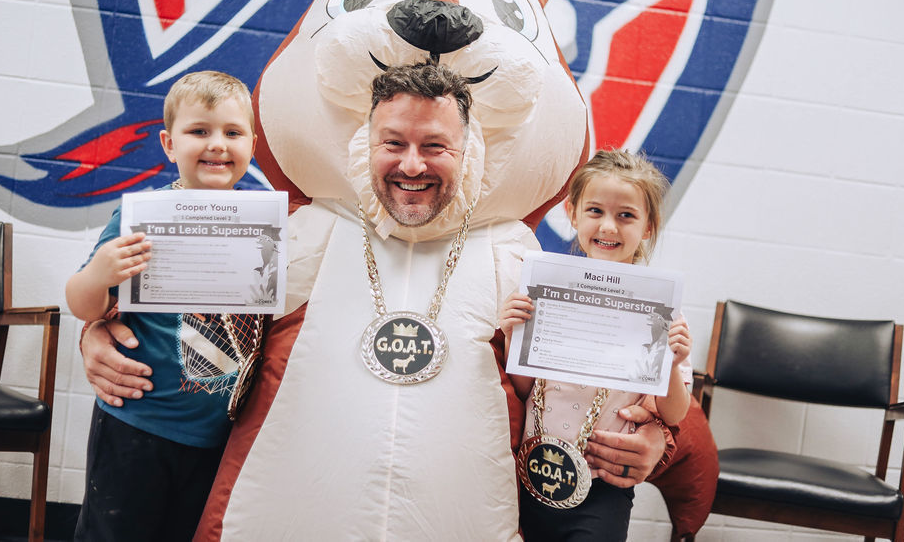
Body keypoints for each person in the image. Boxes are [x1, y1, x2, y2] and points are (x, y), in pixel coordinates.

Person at [80, 64, 674, 539]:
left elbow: (615, 371)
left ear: (468, 153)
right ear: (366, 145)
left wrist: (662, 439)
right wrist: (98, 325)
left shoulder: (520, 258)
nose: (412, 164)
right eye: (394, 142)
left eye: (435, 146)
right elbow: (191, 300)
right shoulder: (301, 231)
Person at [67, 70, 258, 541]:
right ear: (169, 144)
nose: (218, 144)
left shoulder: (267, 225)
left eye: (233, 133)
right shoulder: (137, 217)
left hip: (218, 436)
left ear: (252, 143)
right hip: (137, 422)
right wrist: (99, 275)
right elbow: (83, 305)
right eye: (200, 131)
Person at [500, 148, 692, 541]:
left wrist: (672, 365)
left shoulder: (663, 311)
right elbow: (523, 390)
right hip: (529, 472)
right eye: (595, 211)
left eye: (626, 215)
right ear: (572, 213)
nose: (608, 227)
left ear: (649, 226)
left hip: (603, 484)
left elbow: (674, 413)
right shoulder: (545, 290)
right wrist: (512, 334)